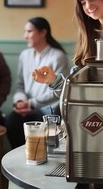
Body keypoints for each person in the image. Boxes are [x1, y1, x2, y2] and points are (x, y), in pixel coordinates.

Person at [5, 17, 70, 148]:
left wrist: (31, 104)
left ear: (43, 32)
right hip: (27, 107)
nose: (25, 36)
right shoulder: (25, 55)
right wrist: (19, 102)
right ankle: (20, 161)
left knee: (36, 124)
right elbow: (20, 85)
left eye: (29, 31)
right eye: (25, 32)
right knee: (11, 120)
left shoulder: (57, 57)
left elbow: (60, 91)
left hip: (49, 110)